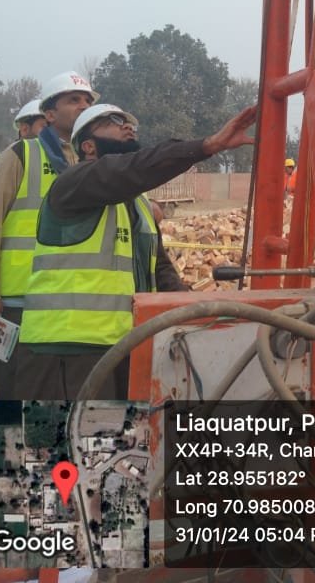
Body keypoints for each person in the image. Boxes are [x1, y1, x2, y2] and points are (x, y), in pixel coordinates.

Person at [15, 102, 257, 400]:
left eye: (130, 122)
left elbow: (160, 269)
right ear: (88, 146)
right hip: (63, 348)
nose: (128, 126)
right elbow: (137, 168)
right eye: (114, 120)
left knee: (114, 442)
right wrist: (207, 145)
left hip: (121, 345)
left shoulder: (139, 204)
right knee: (55, 444)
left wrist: (203, 315)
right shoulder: (73, 183)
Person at [0, 70, 98, 399]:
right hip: (18, 305)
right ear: (49, 114)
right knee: (15, 398)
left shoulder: (93, 161)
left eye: (87, 101)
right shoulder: (21, 156)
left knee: (64, 402)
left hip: (71, 308)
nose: (83, 105)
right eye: (73, 100)